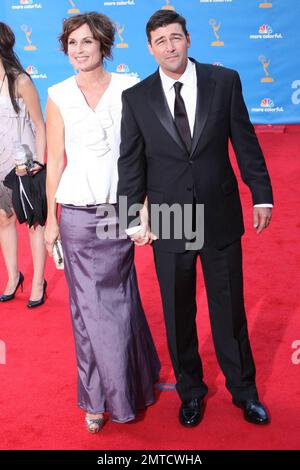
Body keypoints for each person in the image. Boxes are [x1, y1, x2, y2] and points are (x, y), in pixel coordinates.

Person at [117, 10, 273, 427]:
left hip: (219, 213)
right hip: (169, 217)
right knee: (177, 312)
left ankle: (244, 391)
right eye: (160, 41)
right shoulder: (136, 97)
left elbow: (245, 141)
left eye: (175, 37)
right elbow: (130, 162)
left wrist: (262, 195)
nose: (169, 46)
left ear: (189, 39)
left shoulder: (224, 82)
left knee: (229, 308)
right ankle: (190, 392)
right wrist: (132, 215)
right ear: (150, 49)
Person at [44, 12, 160, 433]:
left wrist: (144, 205)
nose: (79, 50)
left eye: (87, 43)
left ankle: (133, 381)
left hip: (120, 211)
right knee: (87, 309)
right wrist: (51, 219)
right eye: (72, 43)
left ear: (104, 46)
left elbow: (143, 152)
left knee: (121, 301)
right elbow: (54, 159)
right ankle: (96, 400)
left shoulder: (130, 87)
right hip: (75, 212)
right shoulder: (57, 94)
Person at [0, 22, 47, 308]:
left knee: (33, 222)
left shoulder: (21, 81)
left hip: (23, 162)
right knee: (3, 220)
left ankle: (39, 280)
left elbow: (40, 125)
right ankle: (12, 276)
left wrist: (39, 162)